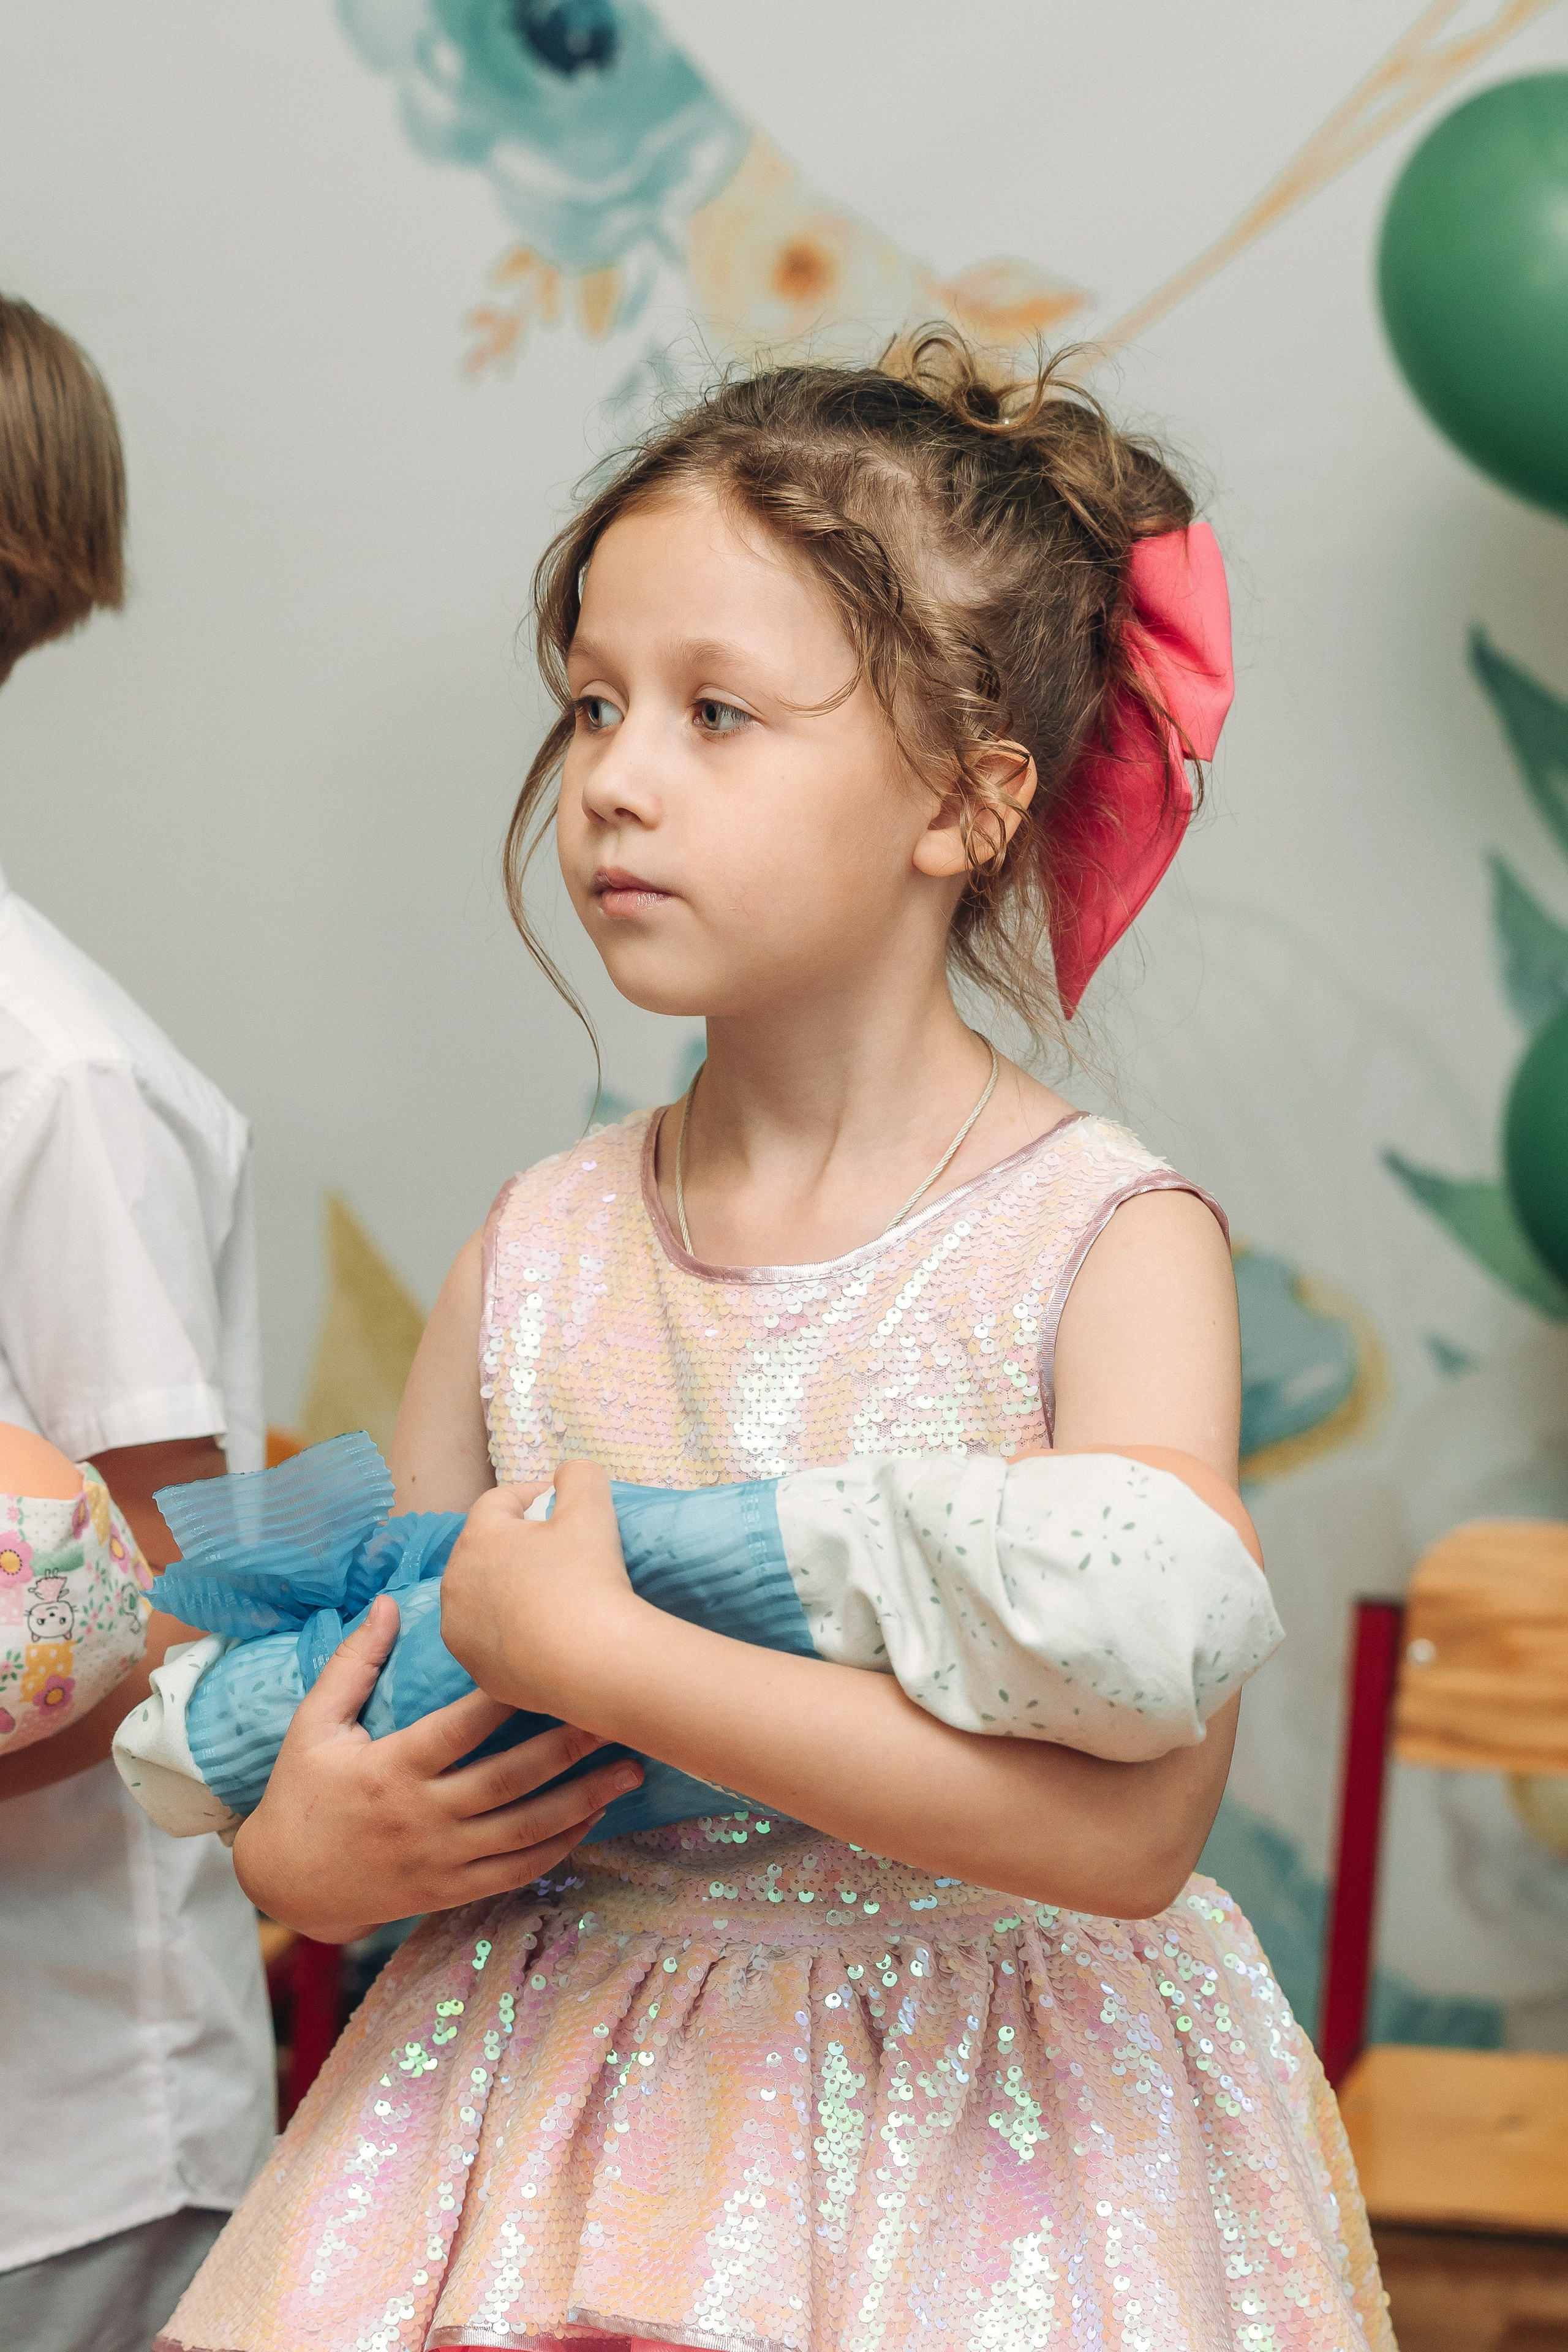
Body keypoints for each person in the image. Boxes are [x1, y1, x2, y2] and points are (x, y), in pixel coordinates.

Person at [160, 334, 1392, 2352]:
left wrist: (618, 1656)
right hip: (540, 2142)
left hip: (995, 2166)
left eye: (719, 713)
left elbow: (1136, 1830)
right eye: (593, 706)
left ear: (970, 800)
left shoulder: (1109, 1246)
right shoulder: (537, 1251)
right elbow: (395, 1683)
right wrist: (313, 1845)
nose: (617, 777)